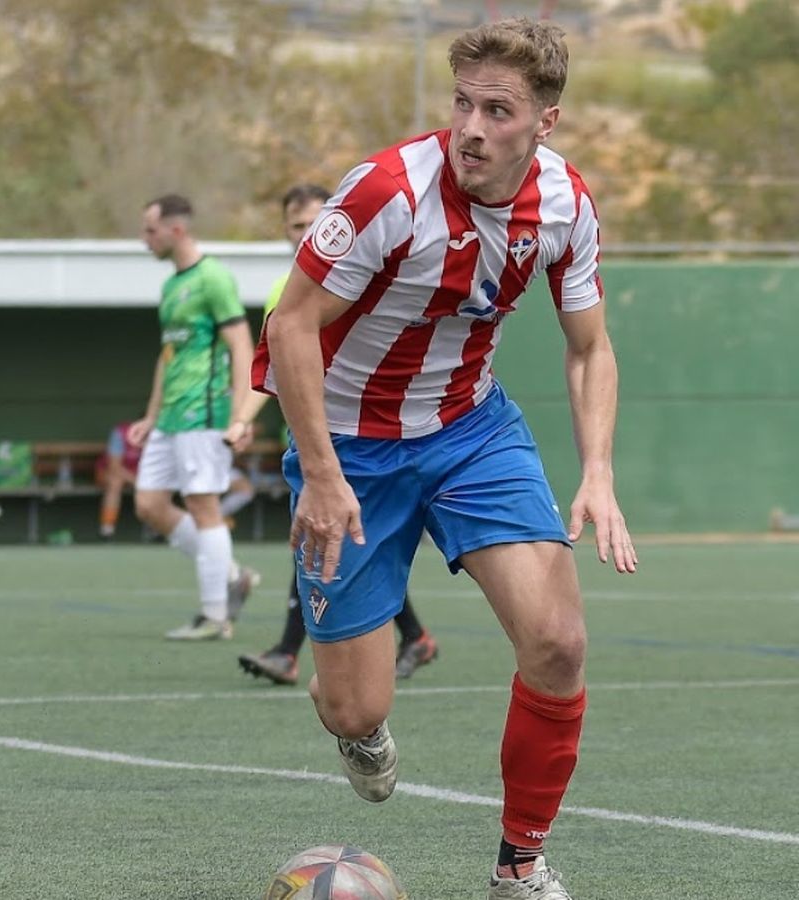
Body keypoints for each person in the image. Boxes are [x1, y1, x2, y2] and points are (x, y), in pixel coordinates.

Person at [255, 19, 637, 898]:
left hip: (472, 432)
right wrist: (319, 473)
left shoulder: (566, 205)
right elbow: (290, 326)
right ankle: (357, 731)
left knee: (559, 641)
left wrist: (600, 471)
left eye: (497, 110)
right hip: (350, 449)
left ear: (544, 122)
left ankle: (520, 863)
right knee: (355, 705)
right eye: (462, 103)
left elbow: (589, 348)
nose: (471, 126)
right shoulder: (387, 191)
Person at [231, 184, 439, 685]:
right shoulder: (285, 294)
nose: (305, 234)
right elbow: (275, 369)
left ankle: (287, 651)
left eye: (314, 223)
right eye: (295, 226)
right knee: (338, 542)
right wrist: (241, 419)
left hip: (363, 439)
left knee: (325, 540)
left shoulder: (368, 282)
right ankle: (414, 636)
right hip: (312, 444)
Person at [132, 195, 260, 640]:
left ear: (177, 230)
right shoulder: (171, 287)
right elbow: (168, 355)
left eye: (150, 230)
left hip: (205, 414)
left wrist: (241, 416)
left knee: (203, 505)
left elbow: (243, 347)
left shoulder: (213, 278)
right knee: (149, 504)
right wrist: (151, 415)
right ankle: (231, 574)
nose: (145, 239)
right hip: (170, 417)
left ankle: (215, 615)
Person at [96, 419, 143, 539]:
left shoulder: (158, 436)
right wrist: (136, 481)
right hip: (109, 472)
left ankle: (155, 530)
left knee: (155, 487)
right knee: (115, 483)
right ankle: (107, 529)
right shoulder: (120, 433)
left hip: (137, 475)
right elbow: (114, 467)